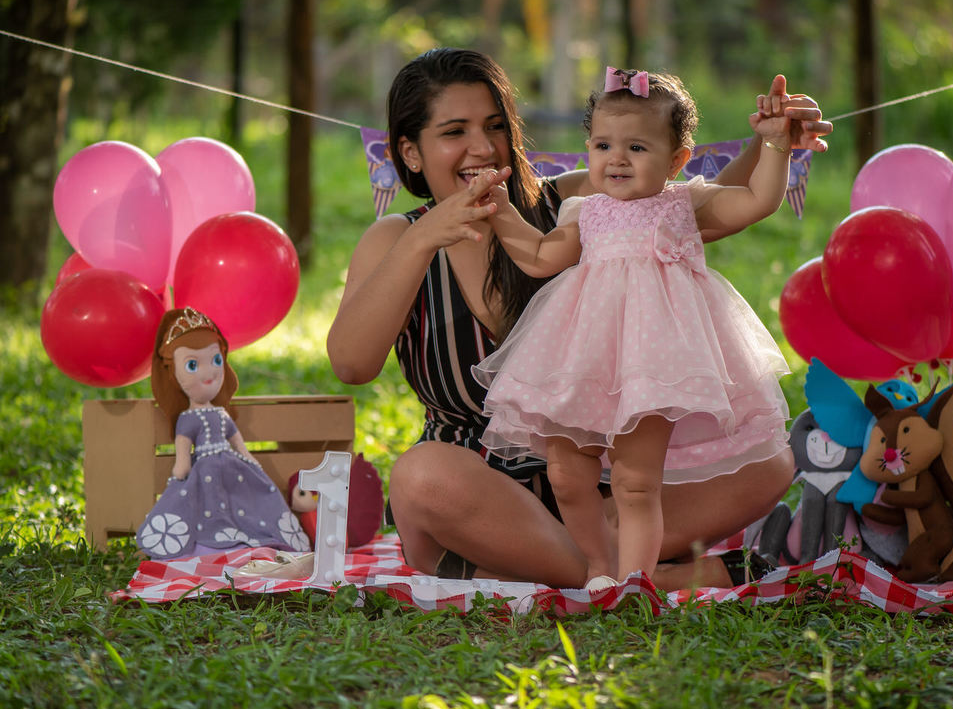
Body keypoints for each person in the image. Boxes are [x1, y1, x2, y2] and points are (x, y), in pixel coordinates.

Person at [326, 48, 831, 589]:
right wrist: (424, 238)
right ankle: (652, 578)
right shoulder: (395, 239)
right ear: (412, 151)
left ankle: (558, 571)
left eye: (495, 126)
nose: (482, 147)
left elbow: (680, 205)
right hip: (478, 492)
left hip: (606, 487)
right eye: (455, 131)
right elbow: (352, 364)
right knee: (421, 475)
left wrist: (770, 141)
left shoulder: (572, 202)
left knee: (770, 465)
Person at [473, 67, 794, 589]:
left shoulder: (685, 204)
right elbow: (538, 256)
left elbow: (758, 200)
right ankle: (598, 566)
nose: (616, 158)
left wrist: (776, 146)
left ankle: (633, 583)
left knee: (635, 482)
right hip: (584, 356)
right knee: (567, 475)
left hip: (655, 360)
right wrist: (501, 211)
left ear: (676, 160)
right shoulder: (583, 209)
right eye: (603, 144)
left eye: (638, 148)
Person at [137, 307, 311, 559]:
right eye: (193, 365)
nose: (210, 372)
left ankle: (256, 537)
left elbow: (241, 447)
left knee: (247, 502)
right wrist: (181, 471)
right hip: (204, 472)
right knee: (210, 508)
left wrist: (253, 464)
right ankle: (211, 542)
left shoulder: (222, 415)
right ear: (174, 374)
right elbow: (183, 457)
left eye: (216, 360)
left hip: (234, 469)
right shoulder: (187, 420)